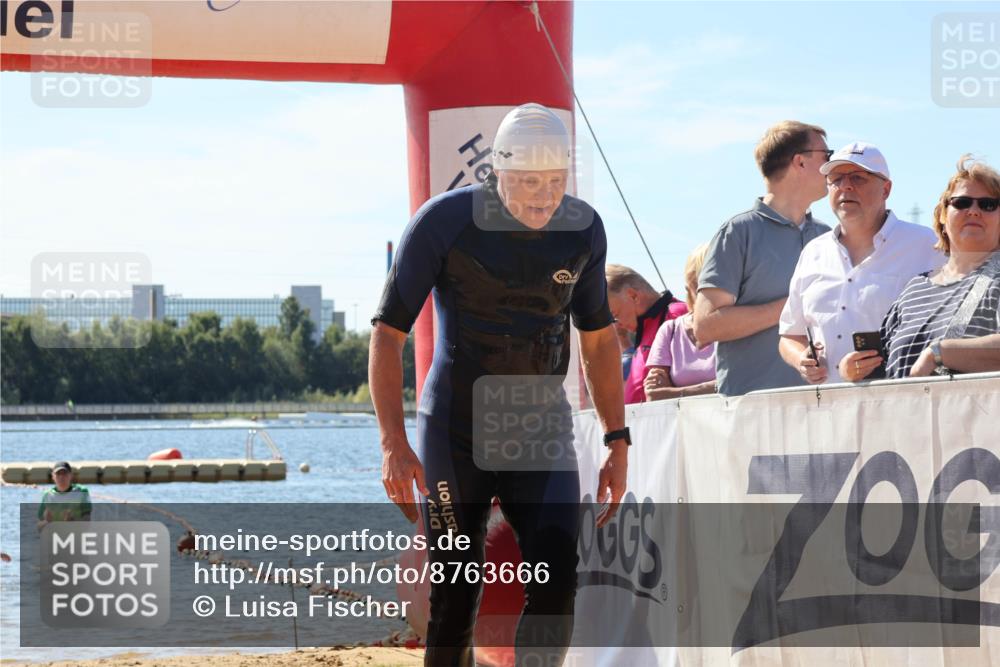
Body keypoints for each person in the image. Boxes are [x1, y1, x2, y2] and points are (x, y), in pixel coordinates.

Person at [368, 103, 628, 667]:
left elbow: (600, 339)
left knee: (558, 583)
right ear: (497, 172)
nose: (542, 196)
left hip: (540, 430)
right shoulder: (443, 222)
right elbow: (387, 335)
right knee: (456, 592)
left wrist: (617, 439)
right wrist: (393, 442)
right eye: (529, 182)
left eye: (555, 182)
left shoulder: (583, 229)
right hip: (455, 429)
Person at [778, 143, 945, 384]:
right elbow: (790, 334)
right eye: (836, 179)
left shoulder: (928, 245)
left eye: (858, 178)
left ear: (886, 189)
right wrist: (801, 360)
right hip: (825, 409)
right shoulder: (812, 253)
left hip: (901, 405)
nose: (845, 186)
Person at [694, 120, 832, 395]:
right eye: (826, 156)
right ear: (800, 162)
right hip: (752, 412)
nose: (832, 165)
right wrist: (793, 306)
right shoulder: (738, 232)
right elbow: (705, 327)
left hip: (824, 407)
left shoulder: (828, 236)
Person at [840, 156, 1000, 380]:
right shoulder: (915, 289)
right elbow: (886, 366)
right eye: (962, 203)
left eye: (988, 204)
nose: (974, 211)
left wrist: (940, 354)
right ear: (943, 214)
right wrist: (853, 369)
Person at [644, 244, 717, 400]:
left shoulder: (739, 325)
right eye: (704, 281)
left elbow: (738, 384)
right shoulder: (670, 330)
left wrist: (675, 392)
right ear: (689, 284)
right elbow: (654, 394)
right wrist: (712, 388)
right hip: (685, 424)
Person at [605, 264, 686, 403]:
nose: (617, 323)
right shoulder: (646, 324)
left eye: (615, 315)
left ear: (633, 295)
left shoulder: (676, 316)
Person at [36, 461, 91, 532]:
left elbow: (87, 522)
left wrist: (72, 521)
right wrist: (47, 522)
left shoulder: (81, 491)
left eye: (64, 473)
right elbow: (39, 527)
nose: (61, 477)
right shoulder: (47, 495)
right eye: (58, 474)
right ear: (53, 476)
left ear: (71, 475)